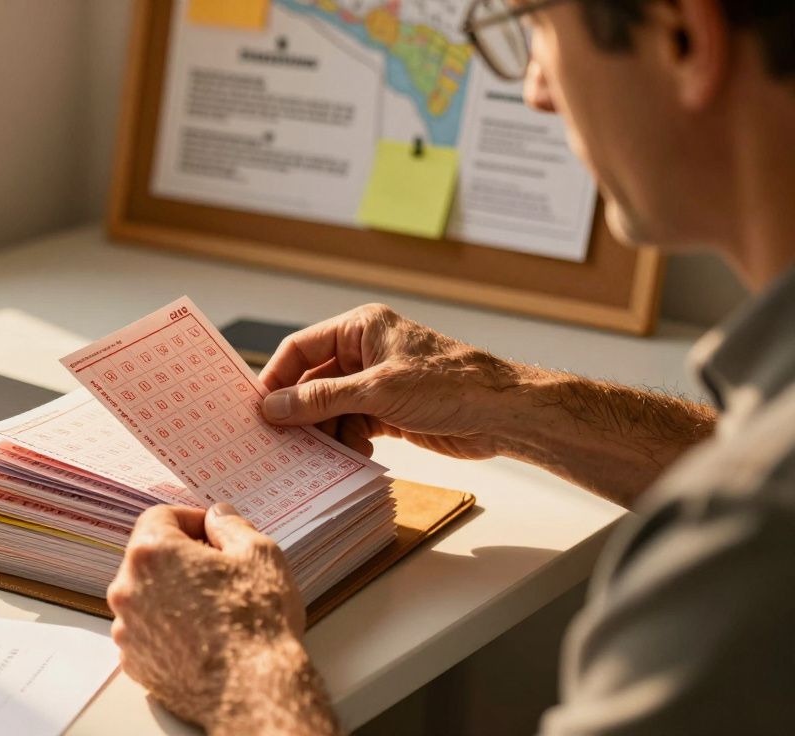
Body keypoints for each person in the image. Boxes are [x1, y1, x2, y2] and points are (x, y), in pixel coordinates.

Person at [105, 0, 795, 733]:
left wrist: (241, 676)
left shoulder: (745, 542)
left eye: (539, 29)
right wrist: (509, 400)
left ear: (684, 37)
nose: (536, 89)